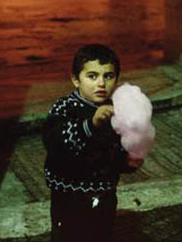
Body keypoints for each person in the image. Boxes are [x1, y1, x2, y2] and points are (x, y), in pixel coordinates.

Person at [43, 44, 143, 242]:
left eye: (108, 76)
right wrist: (91, 124)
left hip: (104, 193)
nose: (101, 84)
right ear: (75, 79)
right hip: (69, 194)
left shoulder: (117, 110)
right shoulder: (65, 108)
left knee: (101, 234)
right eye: (92, 76)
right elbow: (56, 142)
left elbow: (119, 153)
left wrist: (130, 157)